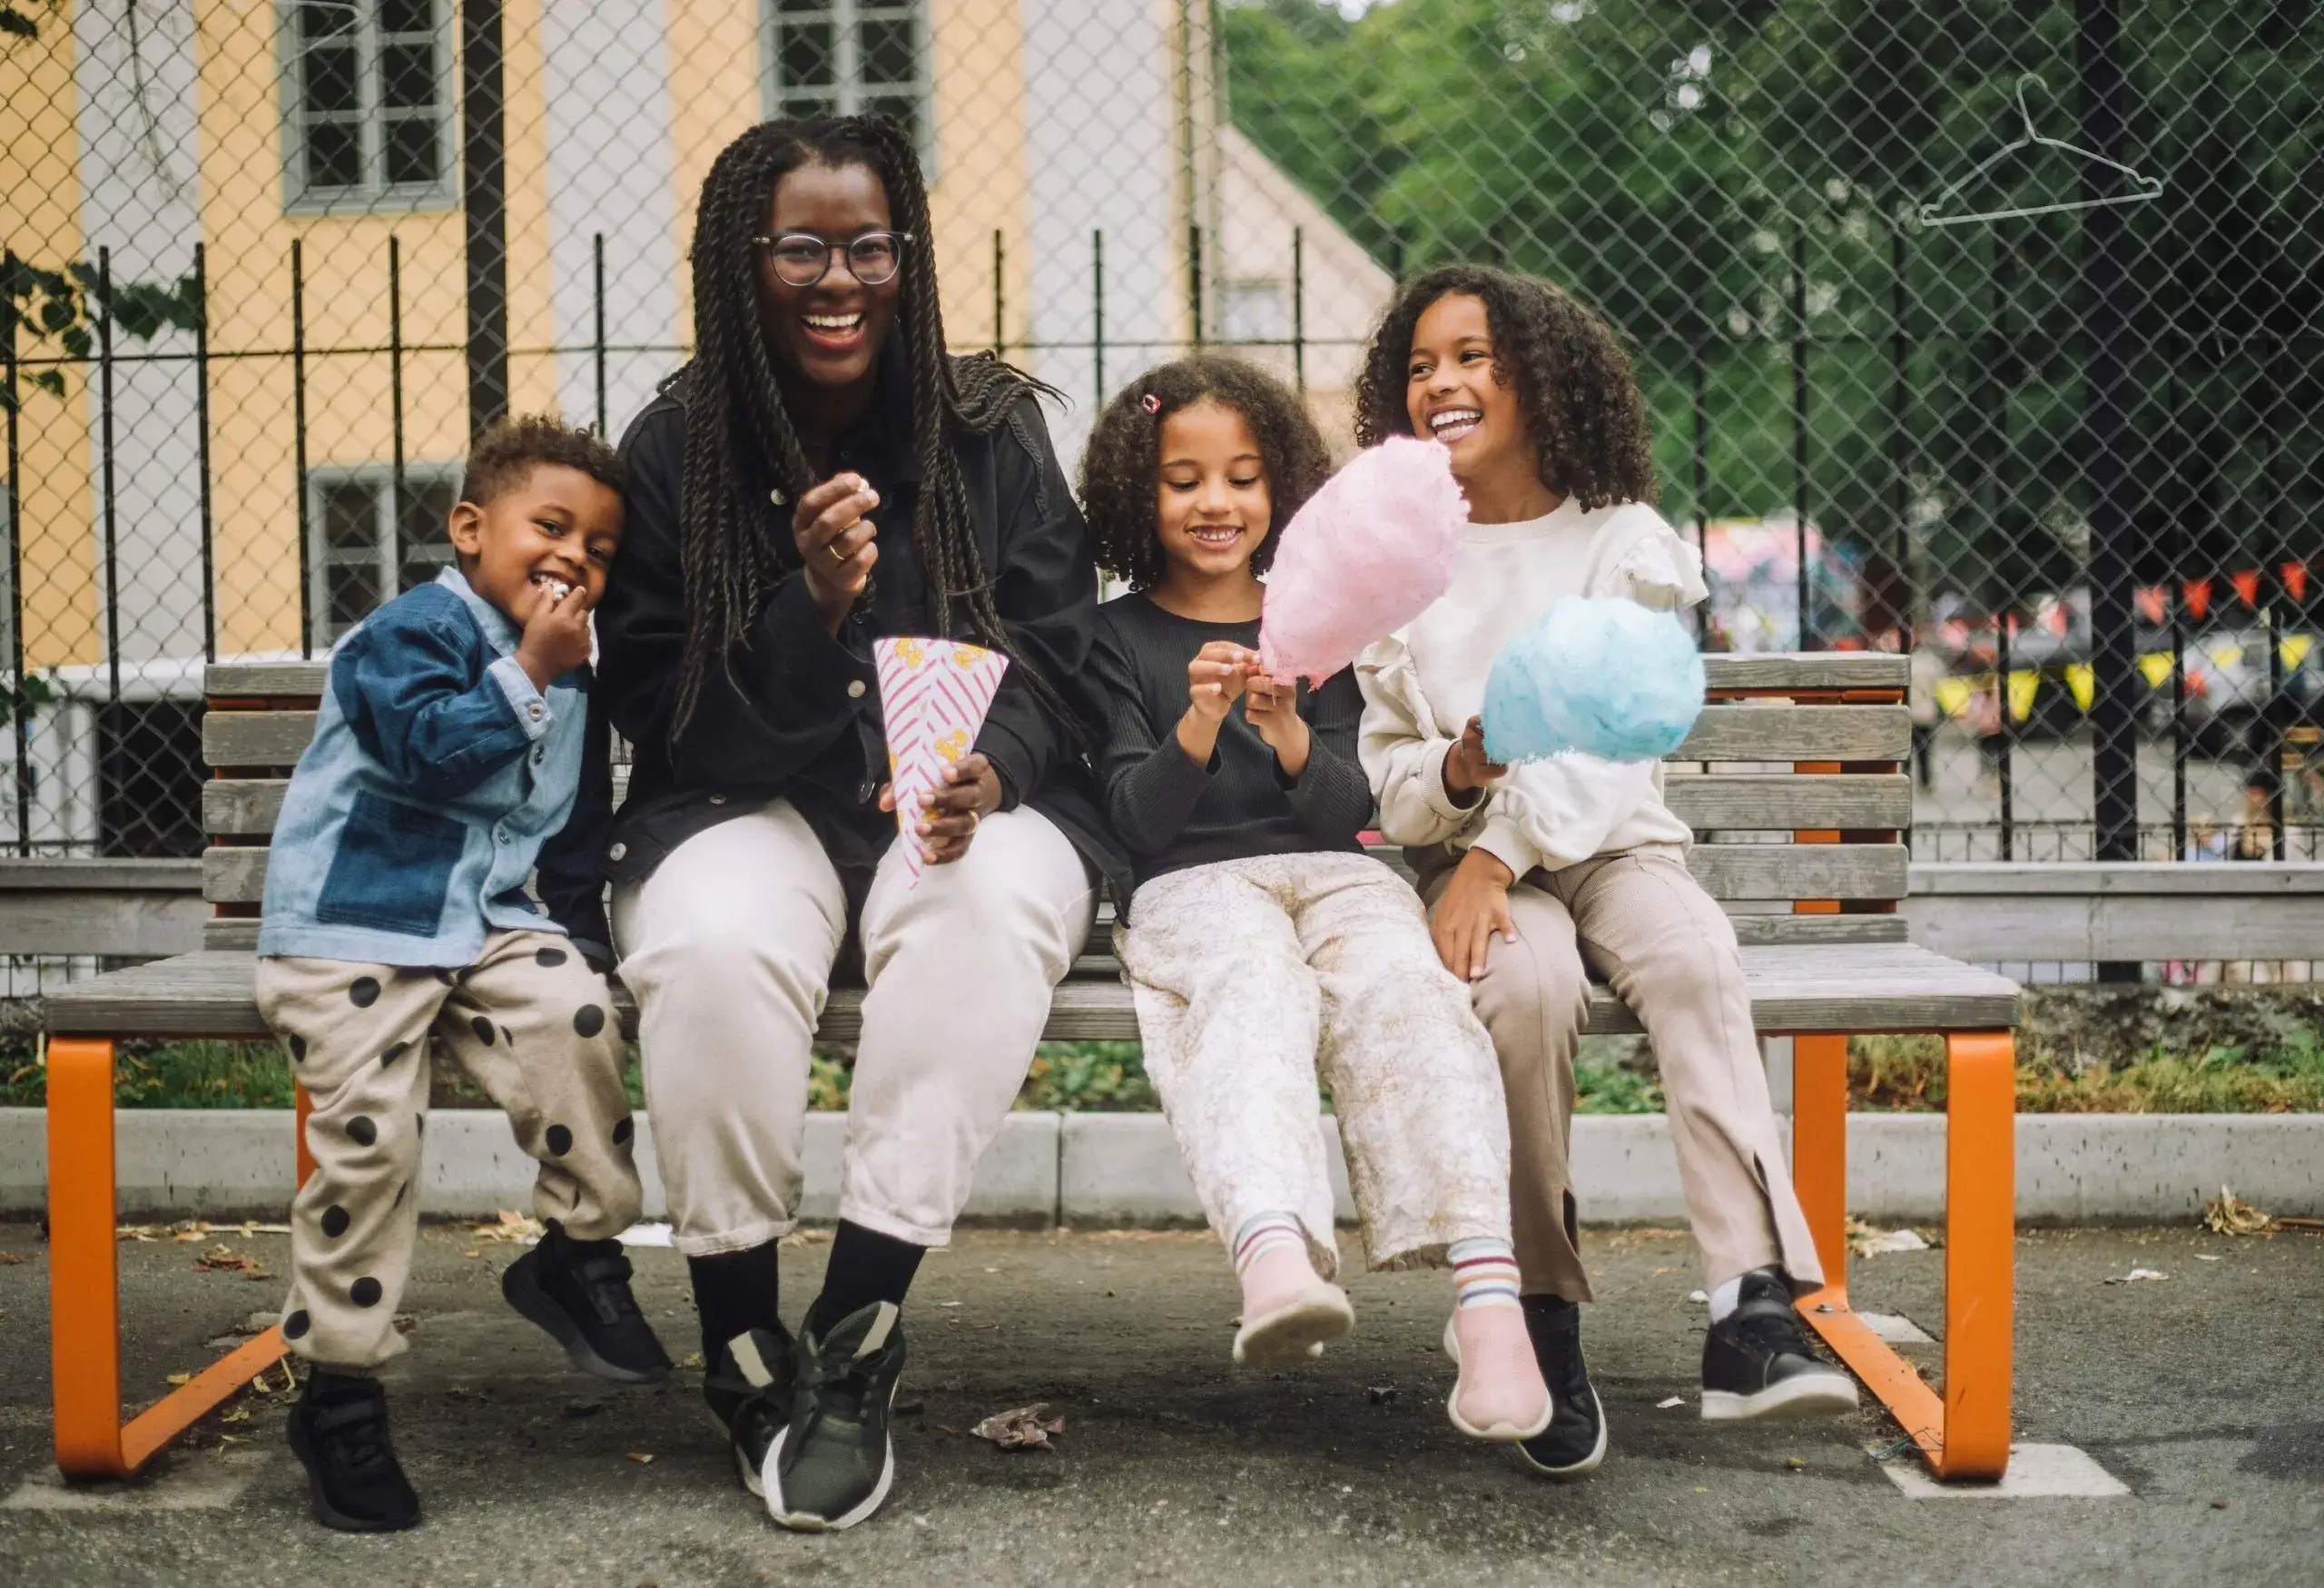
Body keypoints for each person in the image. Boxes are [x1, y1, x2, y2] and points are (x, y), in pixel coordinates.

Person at [594, 114, 1125, 1533]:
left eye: (871, 247)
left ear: (911, 256)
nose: (842, 279)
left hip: (952, 804)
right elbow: (660, 705)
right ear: (740, 262)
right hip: (741, 797)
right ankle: (739, 1337)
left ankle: (853, 1331)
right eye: (804, 249)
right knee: (708, 942)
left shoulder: (988, 429)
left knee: (992, 900)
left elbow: (1063, 652)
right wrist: (806, 609)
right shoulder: (677, 446)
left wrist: (996, 768)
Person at [1354, 265, 1858, 1480]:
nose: (1444, 383)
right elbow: (1387, 771)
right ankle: (1539, 1304)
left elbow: (1609, 740)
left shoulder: (1622, 537)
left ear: (1541, 374)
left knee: (1690, 957)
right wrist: (1463, 780)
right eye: (1421, 364)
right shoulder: (1399, 560)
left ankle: (1751, 1306)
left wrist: (1496, 848)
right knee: (1521, 995)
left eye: (1473, 355)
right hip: (1477, 859)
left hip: (1606, 839)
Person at [1082, 356, 1551, 1443]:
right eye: (1183, 480)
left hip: (1338, 874)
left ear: (1281, 489)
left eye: (1243, 478)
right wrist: (1197, 725)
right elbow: (1132, 820)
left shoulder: (1321, 627)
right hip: (1190, 886)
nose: (1216, 503)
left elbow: (1353, 808)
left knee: (1408, 988)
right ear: (1134, 496)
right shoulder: (1114, 641)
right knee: (1253, 988)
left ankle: (1486, 1303)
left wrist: (1289, 728)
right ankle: (1275, 1255)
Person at [256, 416, 665, 1533]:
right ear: (471, 528)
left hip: (486, 922)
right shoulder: (414, 629)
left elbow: (573, 814)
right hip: (355, 926)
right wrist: (532, 668)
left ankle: (577, 1252)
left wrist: (573, 927)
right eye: (550, 527)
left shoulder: (570, 656)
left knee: (576, 1013)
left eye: (599, 545)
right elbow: (432, 752)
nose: (575, 556)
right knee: (373, 1141)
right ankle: (339, 1392)